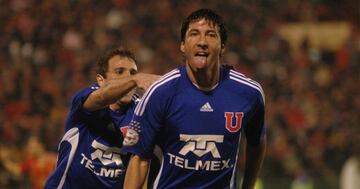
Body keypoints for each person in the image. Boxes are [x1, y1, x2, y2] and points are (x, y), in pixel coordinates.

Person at [122, 9, 266, 189]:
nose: (202, 42)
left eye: (211, 35)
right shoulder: (160, 92)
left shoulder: (249, 93)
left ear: (222, 46)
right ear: (182, 45)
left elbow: (256, 143)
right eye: (194, 34)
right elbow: (139, 158)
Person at [44, 47, 159, 189]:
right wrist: (135, 79)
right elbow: (101, 97)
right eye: (119, 72)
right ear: (101, 79)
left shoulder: (142, 111)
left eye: (132, 72)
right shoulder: (85, 99)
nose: (128, 77)